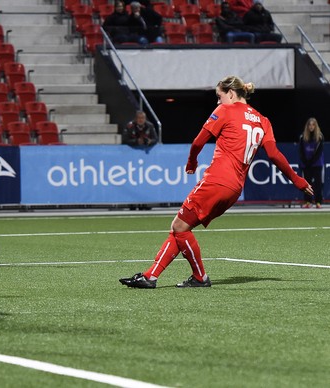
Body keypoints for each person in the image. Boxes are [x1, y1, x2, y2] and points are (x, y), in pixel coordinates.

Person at [119, 75, 313, 289]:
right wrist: (298, 180)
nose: (218, 102)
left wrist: (191, 162)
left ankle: (200, 277)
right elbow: (275, 155)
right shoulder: (263, 120)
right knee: (181, 227)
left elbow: (198, 142)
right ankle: (150, 276)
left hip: (217, 180)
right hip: (235, 189)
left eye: (219, 96)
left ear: (231, 93)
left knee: (179, 227)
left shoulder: (225, 111)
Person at [298, 117, 324, 208]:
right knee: (307, 184)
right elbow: (301, 151)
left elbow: (319, 152)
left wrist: (312, 161)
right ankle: (308, 201)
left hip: (317, 164)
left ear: (315, 126)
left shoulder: (319, 137)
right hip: (306, 164)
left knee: (318, 184)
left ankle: (318, 202)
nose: (311, 126)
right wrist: (305, 161)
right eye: (309, 125)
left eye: (313, 125)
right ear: (307, 126)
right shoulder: (302, 137)